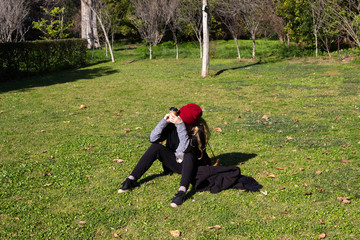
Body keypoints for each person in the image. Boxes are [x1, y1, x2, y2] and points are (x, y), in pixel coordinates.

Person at [118, 103, 211, 207]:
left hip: (191, 167)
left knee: (189, 155)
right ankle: (131, 179)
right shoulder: (174, 126)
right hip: (176, 163)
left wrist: (180, 126)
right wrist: (163, 122)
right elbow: (152, 139)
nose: (177, 119)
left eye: (181, 119)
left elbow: (183, 151)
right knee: (155, 147)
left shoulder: (198, 132)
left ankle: (182, 192)